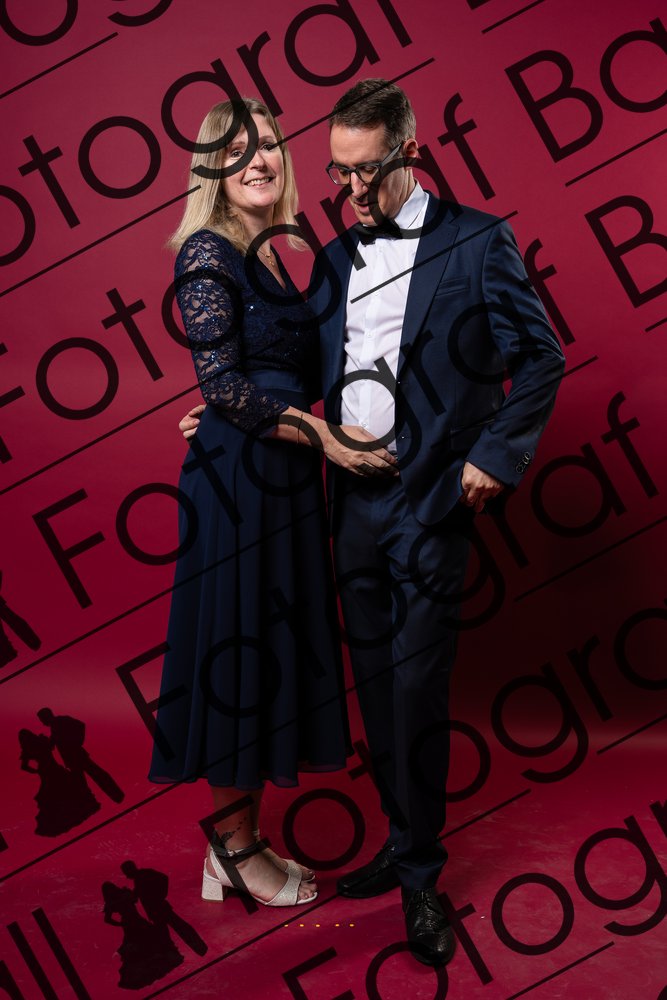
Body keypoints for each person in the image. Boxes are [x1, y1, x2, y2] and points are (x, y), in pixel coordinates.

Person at [181, 80, 565, 964]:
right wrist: (230, 407)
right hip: (350, 500)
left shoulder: (478, 241)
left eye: (366, 170)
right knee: (375, 687)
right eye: (337, 172)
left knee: (417, 684)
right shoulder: (333, 257)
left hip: (432, 499)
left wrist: (493, 456)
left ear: (410, 152)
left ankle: (421, 876)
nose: (350, 189)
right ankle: (399, 841)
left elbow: (540, 356)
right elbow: (292, 360)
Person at [148, 98, 396, 910]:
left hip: (279, 472)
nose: (258, 160)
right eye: (237, 150)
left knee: (266, 651)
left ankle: (240, 840)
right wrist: (319, 435)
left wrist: (251, 407)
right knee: (239, 649)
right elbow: (224, 382)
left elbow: (272, 374)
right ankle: (232, 846)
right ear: (211, 168)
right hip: (241, 484)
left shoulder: (280, 255)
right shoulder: (206, 252)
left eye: (268, 145)